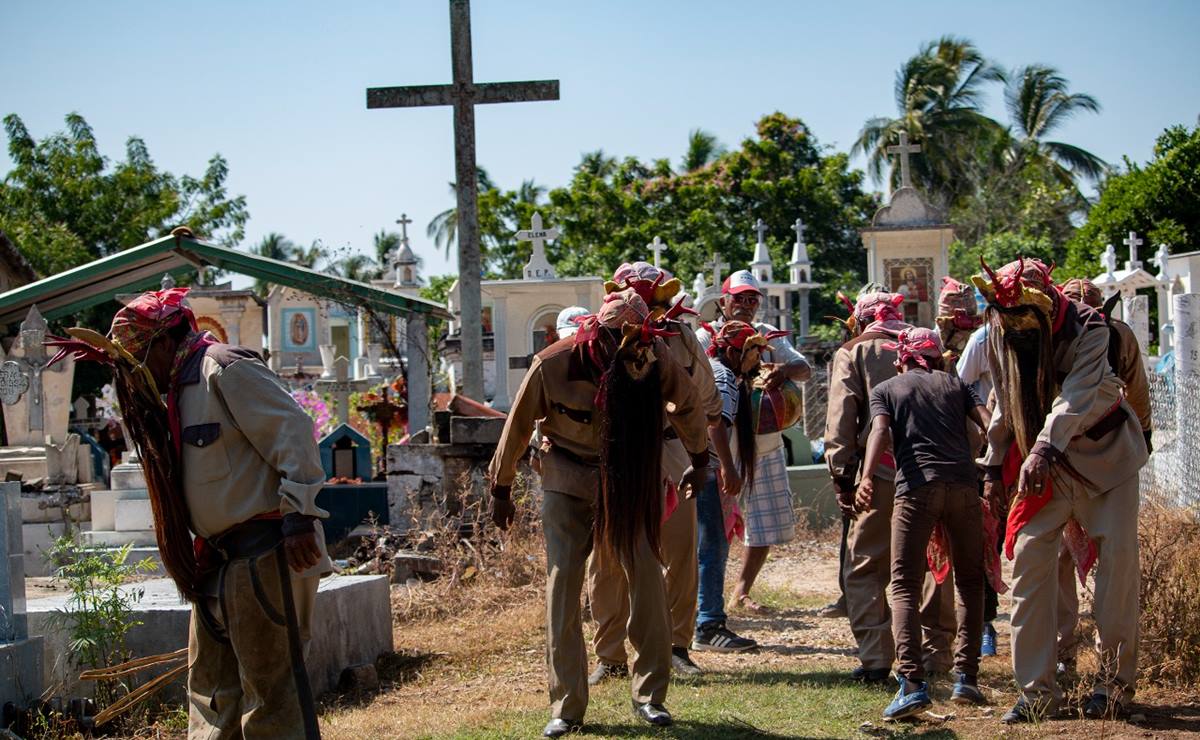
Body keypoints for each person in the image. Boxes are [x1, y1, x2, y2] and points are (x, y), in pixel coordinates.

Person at [50, 288, 329, 739]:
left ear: (164, 341)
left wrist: (300, 515)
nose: (137, 370)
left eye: (139, 355)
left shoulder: (223, 367)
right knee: (211, 696)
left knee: (271, 699)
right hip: (214, 562)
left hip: (260, 553)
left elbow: (292, 429)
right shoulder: (179, 389)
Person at [487, 289, 711, 737]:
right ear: (596, 331)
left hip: (630, 479)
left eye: (636, 336)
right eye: (614, 334)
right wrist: (501, 487)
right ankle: (566, 707)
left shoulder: (655, 356)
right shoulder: (553, 362)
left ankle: (650, 696)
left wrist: (700, 461)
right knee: (564, 585)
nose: (626, 345)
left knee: (646, 574)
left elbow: (687, 405)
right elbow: (517, 425)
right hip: (568, 478)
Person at [974, 258, 1148, 723]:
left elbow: (1077, 395)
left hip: (1105, 458)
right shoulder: (1000, 327)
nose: (1014, 326)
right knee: (1029, 563)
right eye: (1005, 317)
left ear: (1048, 300)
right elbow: (1004, 398)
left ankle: (1112, 688)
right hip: (1045, 463)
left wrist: (1041, 450)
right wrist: (992, 465)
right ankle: (1037, 693)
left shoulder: (1092, 327)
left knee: (1116, 569)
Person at [586, 264, 721, 682]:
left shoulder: (680, 339)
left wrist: (698, 448)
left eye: (653, 301)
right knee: (606, 555)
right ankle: (610, 656)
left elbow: (706, 400)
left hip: (671, 451)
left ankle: (677, 645)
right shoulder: (597, 336)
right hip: (614, 458)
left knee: (680, 550)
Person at [856, 328, 990, 719]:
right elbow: (987, 422)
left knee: (904, 584)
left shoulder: (887, 388)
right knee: (969, 581)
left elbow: (879, 431)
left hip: (916, 488)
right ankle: (967, 677)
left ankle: (912, 684)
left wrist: (866, 478)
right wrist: (989, 467)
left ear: (903, 359)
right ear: (937, 358)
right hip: (965, 486)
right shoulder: (956, 384)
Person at [695, 270, 811, 612]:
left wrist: (782, 371)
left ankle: (741, 591)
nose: (745, 305)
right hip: (718, 444)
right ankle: (705, 603)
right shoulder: (706, 338)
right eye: (738, 299)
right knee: (710, 527)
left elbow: (803, 367)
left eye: (751, 300)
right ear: (723, 303)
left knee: (766, 520)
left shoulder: (765, 336)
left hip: (762, 440)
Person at [1057, 278, 1154, 674]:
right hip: (1066, 456)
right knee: (1065, 557)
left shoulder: (1116, 336)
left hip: (1093, 455)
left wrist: (1138, 444)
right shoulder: (1059, 335)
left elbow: (1136, 390)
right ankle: (1069, 657)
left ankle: (1103, 668)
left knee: (1105, 560)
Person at [691, 321, 777, 654]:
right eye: (752, 354)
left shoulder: (714, 370)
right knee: (712, 548)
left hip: (700, 468)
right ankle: (709, 623)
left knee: (705, 547)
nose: (757, 362)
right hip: (709, 470)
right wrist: (726, 467)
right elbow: (715, 427)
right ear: (732, 352)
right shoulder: (724, 377)